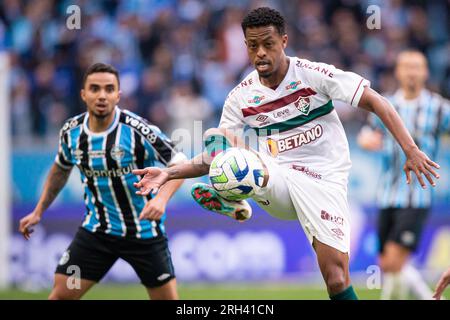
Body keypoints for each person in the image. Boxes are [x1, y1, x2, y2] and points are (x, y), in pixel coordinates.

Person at [132, 7, 440, 300]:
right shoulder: (241, 96)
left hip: (325, 181)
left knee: (336, 278)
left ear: (283, 41)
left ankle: (236, 199)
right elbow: (212, 156)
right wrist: (169, 173)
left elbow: (378, 102)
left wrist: (411, 150)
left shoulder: (313, 74)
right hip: (278, 176)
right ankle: (232, 195)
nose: (260, 53)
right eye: (252, 46)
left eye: (267, 44)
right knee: (218, 141)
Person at [18, 63, 186, 300]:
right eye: (95, 89)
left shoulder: (137, 129)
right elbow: (60, 168)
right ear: (83, 94)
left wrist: (161, 199)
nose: (102, 95)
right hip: (97, 231)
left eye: (109, 89)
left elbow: (179, 161)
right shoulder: (71, 132)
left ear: (118, 95)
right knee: (60, 296)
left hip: (144, 232)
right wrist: (38, 211)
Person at [358, 50, 450, 300]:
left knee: (395, 263)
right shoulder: (385, 104)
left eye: (417, 67)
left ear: (426, 72)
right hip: (386, 193)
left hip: (417, 196)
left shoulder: (439, 108)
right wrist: (367, 140)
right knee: (388, 264)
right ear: (398, 72)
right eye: (406, 67)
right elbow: (366, 133)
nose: (411, 72)